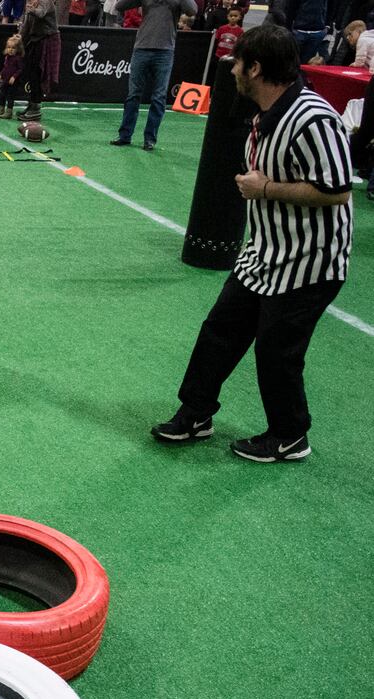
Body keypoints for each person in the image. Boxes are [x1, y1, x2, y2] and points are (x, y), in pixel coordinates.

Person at [151, 25, 353, 462]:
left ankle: (290, 435)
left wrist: (265, 189)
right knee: (219, 331)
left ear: (256, 68)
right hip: (264, 254)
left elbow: (337, 189)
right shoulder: (266, 114)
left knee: (277, 352)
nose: (233, 71)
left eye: (238, 63)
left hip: (311, 262)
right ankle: (196, 413)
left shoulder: (314, 119)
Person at [111, 0, 199, 148]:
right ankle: (125, 136)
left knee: (159, 97)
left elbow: (192, 10)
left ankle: (150, 139)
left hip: (165, 51)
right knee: (133, 95)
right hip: (142, 48)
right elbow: (120, 6)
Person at [16, 0, 59, 122]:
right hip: (35, 39)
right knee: (31, 74)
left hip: (47, 40)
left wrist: (31, 9)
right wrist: (18, 41)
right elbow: (26, 26)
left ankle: (36, 107)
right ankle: (32, 104)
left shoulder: (46, 1)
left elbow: (41, 13)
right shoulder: (30, 3)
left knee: (38, 75)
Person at [0, 34, 27, 117]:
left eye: (13, 48)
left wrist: (14, 77)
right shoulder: (7, 57)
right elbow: (5, 68)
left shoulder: (18, 58)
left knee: (10, 96)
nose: (10, 50)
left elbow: (20, 69)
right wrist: (0, 74)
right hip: (5, 80)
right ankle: (1, 109)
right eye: (9, 47)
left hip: (13, 82)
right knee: (2, 95)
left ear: (18, 49)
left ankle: (9, 112)